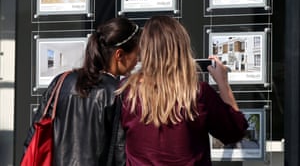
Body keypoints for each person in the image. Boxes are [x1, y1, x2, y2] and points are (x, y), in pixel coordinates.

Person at [116, 15, 248, 166]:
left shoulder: (127, 91)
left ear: (145, 50)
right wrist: (223, 83)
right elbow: (235, 131)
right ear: (182, 48)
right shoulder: (198, 93)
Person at [23, 17, 140, 166]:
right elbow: (120, 152)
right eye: (137, 54)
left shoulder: (61, 81)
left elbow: (34, 136)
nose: (137, 60)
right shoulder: (117, 92)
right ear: (119, 55)